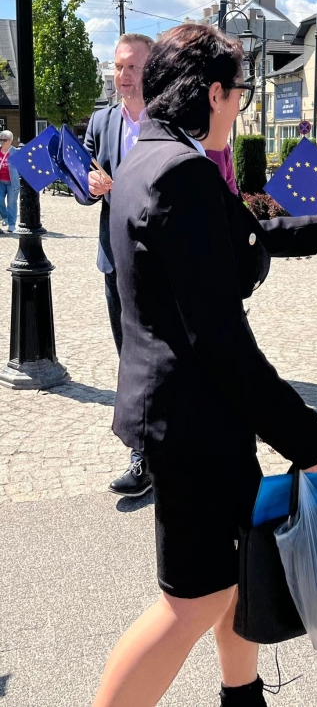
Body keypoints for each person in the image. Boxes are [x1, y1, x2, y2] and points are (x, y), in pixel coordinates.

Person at [92, 24, 317, 707]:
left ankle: (243, 695)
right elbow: (222, 343)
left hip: (188, 412)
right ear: (212, 93)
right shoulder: (184, 172)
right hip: (193, 418)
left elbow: (231, 240)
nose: (240, 107)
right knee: (190, 602)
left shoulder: (150, 155)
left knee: (237, 571)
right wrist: (309, 439)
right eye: (240, 94)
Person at [78, 33, 157, 497]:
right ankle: (141, 453)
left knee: (166, 355)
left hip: (163, 260)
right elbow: (82, 182)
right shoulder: (102, 120)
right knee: (129, 358)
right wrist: (88, 183)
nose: (122, 76)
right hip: (116, 257)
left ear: (152, 70)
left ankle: (175, 443)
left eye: (132, 67)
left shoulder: (170, 118)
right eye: (118, 66)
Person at [0, 129, 20, 233]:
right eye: (0, 139)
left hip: (12, 182)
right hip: (1, 181)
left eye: (4, 140)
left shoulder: (15, 152)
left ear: (10, 141)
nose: (2, 142)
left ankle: (12, 224)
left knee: (12, 203)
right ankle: (5, 217)